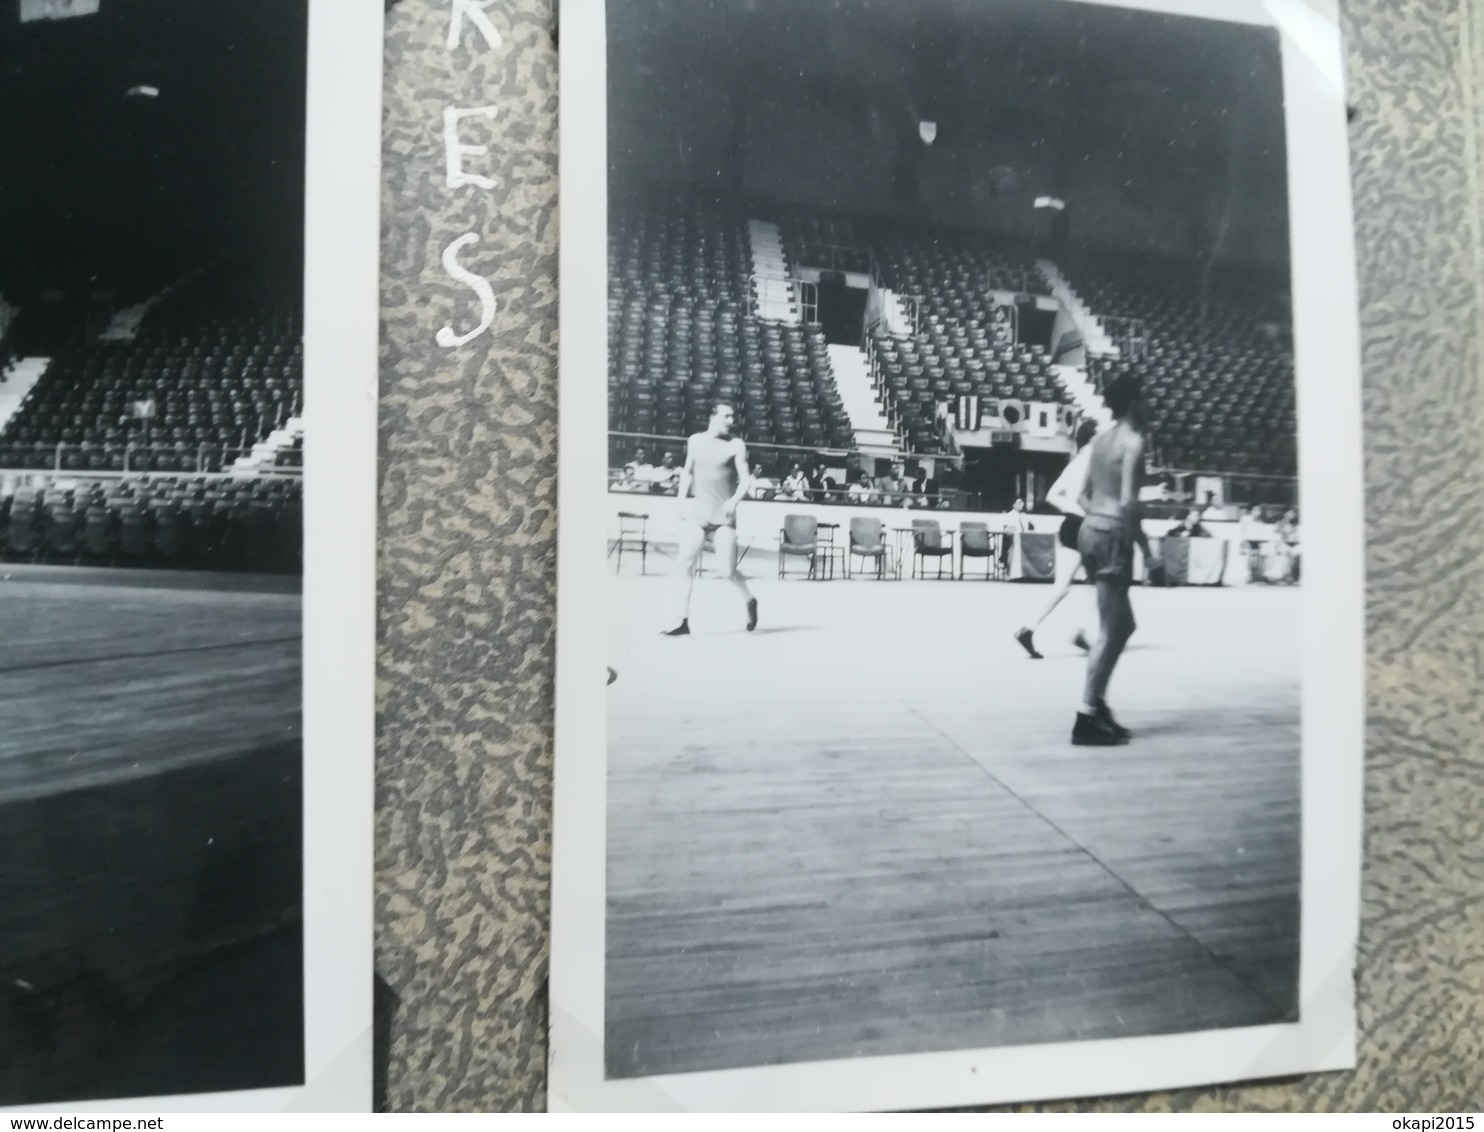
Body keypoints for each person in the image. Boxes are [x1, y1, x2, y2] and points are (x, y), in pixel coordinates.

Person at [1072, 372, 1162, 746]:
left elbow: (1081, 496)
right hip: (1112, 535)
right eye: (1145, 397)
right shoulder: (1134, 442)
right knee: (1111, 630)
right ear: (1133, 402)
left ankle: (1098, 705)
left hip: (1090, 530)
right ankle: (1086, 716)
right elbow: (1127, 503)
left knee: (1123, 626)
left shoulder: (1099, 440)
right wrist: (1148, 554)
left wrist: (1098, 522)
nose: (1149, 404)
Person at [661, 403, 758, 636]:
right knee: (684, 564)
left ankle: (750, 601)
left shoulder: (736, 445)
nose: (731, 420)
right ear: (713, 417)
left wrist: (734, 500)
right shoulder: (694, 441)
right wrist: (681, 502)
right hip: (698, 513)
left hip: (723, 517)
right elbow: (687, 472)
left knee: (727, 572)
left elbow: (745, 480)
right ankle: (681, 620)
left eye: (732, 416)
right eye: (726, 416)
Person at [1015, 419, 1097, 659]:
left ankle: (1030, 628)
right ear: (1091, 440)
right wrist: (1083, 511)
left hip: (1071, 524)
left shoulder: (1076, 462)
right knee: (1097, 582)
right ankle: (1077, 631)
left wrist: (1072, 510)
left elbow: (1053, 495)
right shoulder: (1090, 463)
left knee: (1067, 586)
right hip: (1083, 525)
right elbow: (1080, 496)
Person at [1001, 498, 1029, 573]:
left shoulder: (1024, 516)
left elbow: (1027, 529)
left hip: (1025, 539)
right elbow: (1008, 530)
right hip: (1014, 539)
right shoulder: (1009, 515)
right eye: (1019, 503)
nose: (1022, 504)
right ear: (1014, 505)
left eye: (1022, 502)